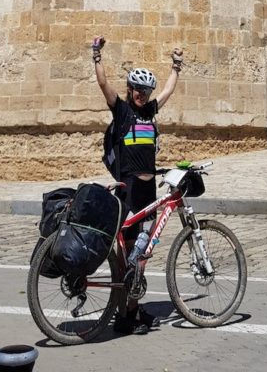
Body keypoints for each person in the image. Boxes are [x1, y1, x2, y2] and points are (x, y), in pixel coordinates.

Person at [91, 37, 183, 334]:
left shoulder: (150, 111)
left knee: (141, 254)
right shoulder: (122, 111)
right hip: (127, 190)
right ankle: (125, 314)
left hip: (148, 191)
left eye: (145, 90)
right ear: (129, 89)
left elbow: (168, 90)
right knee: (128, 251)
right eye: (136, 89)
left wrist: (176, 66)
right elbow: (104, 85)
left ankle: (132, 309)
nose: (141, 94)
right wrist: (97, 57)